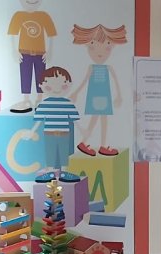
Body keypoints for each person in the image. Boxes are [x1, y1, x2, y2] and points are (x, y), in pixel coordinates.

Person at [70, 24, 127, 157]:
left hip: (104, 97)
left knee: (98, 120)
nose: (100, 53)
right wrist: (76, 92)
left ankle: (88, 143)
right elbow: (85, 81)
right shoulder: (92, 68)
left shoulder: (108, 68)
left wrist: (119, 95)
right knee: (99, 120)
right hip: (97, 98)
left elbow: (116, 81)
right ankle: (98, 145)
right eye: (92, 47)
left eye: (107, 48)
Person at [27, 67, 82, 183]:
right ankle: (50, 172)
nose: (57, 89)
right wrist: (32, 132)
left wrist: (83, 131)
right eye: (50, 86)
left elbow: (74, 120)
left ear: (69, 85)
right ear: (41, 85)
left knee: (64, 153)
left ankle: (64, 172)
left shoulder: (68, 104)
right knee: (50, 153)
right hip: (49, 134)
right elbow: (39, 121)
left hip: (64, 134)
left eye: (62, 85)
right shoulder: (44, 104)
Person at [7, 0, 57, 113]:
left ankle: (39, 99)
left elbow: (51, 33)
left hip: (41, 53)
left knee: (41, 76)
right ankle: (26, 100)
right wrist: (14, 50)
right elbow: (13, 34)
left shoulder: (44, 16)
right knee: (25, 75)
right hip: (24, 52)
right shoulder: (18, 15)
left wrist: (50, 50)